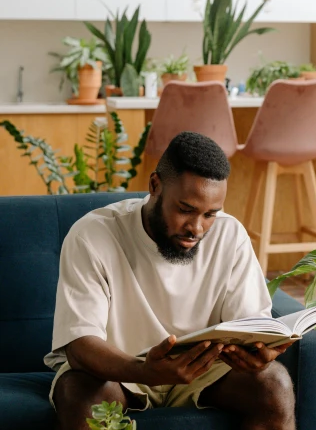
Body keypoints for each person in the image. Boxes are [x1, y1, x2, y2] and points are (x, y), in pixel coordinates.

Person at [46, 131, 296, 430]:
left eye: (210, 214)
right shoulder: (93, 235)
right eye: (186, 210)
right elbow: (80, 344)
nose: (197, 228)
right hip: (121, 371)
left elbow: (248, 326)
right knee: (78, 393)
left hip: (203, 373)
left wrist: (259, 354)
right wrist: (146, 371)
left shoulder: (230, 235)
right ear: (155, 185)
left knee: (274, 384)